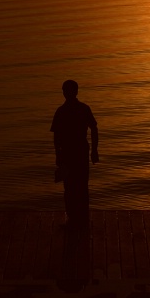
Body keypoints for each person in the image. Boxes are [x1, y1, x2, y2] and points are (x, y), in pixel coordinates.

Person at [50, 80, 99, 226]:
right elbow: (94, 129)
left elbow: (56, 137)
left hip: (71, 152)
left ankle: (75, 218)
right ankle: (79, 217)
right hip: (77, 152)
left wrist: (58, 155)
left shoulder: (62, 111)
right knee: (79, 186)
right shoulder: (82, 109)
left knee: (72, 187)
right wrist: (94, 150)